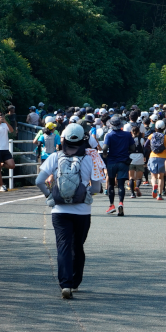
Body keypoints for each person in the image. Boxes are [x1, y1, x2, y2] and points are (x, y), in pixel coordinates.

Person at [35, 123, 102, 299]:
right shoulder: (90, 159)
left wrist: (50, 195)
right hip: (82, 211)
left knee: (63, 246)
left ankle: (65, 284)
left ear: (63, 139)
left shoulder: (55, 157)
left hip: (59, 211)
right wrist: (83, 194)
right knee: (77, 246)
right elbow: (96, 187)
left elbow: (39, 181)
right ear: (83, 139)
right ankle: (75, 281)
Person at [101, 116, 135, 216]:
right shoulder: (127, 135)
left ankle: (111, 205)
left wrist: (105, 155)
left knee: (111, 183)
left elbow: (105, 148)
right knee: (121, 184)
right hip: (123, 161)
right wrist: (126, 151)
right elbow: (133, 148)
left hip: (112, 161)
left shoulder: (109, 135)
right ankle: (121, 203)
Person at [147, 120, 166, 201]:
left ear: (155, 128)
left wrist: (151, 149)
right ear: (164, 127)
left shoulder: (151, 135)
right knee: (161, 177)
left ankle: (154, 185)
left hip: (152, 156)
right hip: (163, 157)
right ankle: (160, 195)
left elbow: (145, 145)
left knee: (153, 176)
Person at [128, 126, 147, 198]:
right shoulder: (142, 140)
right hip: (140, 158)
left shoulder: (129, 140)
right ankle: (137, 186)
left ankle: (132, 193)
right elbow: (144, 148)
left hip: (131, 158)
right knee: (139, 178)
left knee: (131, 177)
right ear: (139, 132)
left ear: (131, 132)